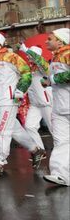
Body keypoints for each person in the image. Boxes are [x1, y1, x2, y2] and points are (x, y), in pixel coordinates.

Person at [0, 32, 44, 176]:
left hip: (9, 100)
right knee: (15, 130)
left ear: (0, 42)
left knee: (1, 129)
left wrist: (20, 90)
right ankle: (36, 150)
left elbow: (26, 73)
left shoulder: (12, 57)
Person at [38, 28, 69, 186]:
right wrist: (47, 81)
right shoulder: (54, 58)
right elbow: (51, 78)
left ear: (60, 41)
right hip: (59, 107)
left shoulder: (68, 53)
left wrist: (52, 80)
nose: (46, 41)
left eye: (50, 39)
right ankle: (60, 175)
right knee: (61, 142)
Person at [20, 45, 54, 153]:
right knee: (29, 126)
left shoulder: (43, 67)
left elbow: (42, 63)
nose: (28, 56)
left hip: (45, 103)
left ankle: (64, 150)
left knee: (53, 129)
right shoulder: (30, 68)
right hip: (35, 104)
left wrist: (26, 50)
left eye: (30, 55)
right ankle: (40, 150)